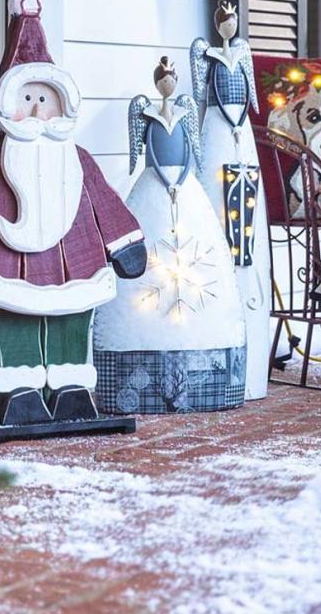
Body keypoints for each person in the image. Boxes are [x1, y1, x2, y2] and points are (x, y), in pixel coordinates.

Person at [0, 0, 147, 428]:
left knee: (71, 326)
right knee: (13, 325)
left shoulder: (78, 159)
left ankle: (71, 391)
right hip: (4, 265)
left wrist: (126, 245)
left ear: (62, 105)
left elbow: (106, 203)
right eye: (26, 98)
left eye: (44, 99)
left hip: (78, 266)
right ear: (7, 105)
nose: (35, 110)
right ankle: (20, 395)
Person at [94, 57, 246, 413]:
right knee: (145, 270)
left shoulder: (185, 111)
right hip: (156, 185)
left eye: (172, 78)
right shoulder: (147, 114)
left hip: (185, 187)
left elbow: (192, 152)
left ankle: (212, 379)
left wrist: (180, 182)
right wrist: (164, 179)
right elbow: (148, 156)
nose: (168, 84)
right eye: (163, 78)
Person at [190, 2, 271, 400]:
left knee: (249, 254)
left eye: (233, 20)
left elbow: (251, 95)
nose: (229, 25)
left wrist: (245, 116)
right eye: (224, 20)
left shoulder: (242, 54)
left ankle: (255, 372)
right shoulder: (206, 54)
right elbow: (201, 96)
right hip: (219, 141)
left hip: (242, 146)